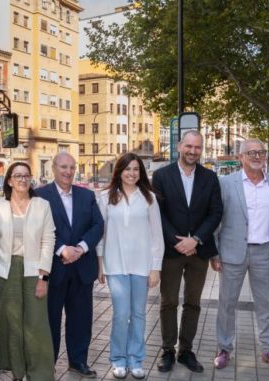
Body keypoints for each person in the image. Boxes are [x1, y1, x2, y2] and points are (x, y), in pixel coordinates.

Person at [210, 139, 269, 373]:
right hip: (232, 252)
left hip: (264, 251)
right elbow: (216, 219)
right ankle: (224, 348)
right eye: (251, 152)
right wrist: (214, 252)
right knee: (227, 303)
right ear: (240, 157)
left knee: (266, 304)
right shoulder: (226, 183)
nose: (257, 156)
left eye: (261, 152)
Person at [151, 130, 223, 373]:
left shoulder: (210, 178)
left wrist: (196, 240)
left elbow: (216, 212)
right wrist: (177, 241)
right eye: (189, 146)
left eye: (198, 147)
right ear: (180, 146)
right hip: (171, 251)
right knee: (168, 301)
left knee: (193, 302)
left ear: (202, 149)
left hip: (198, 252)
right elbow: (157, 213)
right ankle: (168, 350)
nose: (193, 151)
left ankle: (186, 350)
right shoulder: (161, 176)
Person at [35, 152, 103, 378]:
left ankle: (78, 362)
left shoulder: (87, 195)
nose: (68, 171)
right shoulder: (40, 196)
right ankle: (48, 364)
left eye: (72, 167)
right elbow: (37, 229)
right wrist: (62, 249)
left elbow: (97, 225)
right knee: (51, 320)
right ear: (53, 168)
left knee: (81, 320)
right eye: (63, 167)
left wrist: (81, 248)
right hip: (54, 269)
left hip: (82, 269)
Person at [95, 153, 164, 380]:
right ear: (119, 171)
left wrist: (155, 268)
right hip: (115, 265)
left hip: (142, 266)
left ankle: (136, 359)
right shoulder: (105, 197)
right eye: (127, 169)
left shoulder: (149, 198)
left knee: (138, 314)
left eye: (136, 169)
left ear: (141, 172)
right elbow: (101, 234)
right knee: (120, 313)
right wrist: (100, 264)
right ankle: (118, 359)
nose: (131, 173)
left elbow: (157, 236)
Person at [0, 162, 56, 380]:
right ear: (8, 180)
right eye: (17, 176)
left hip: (34, 271)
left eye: (26, 176)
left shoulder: (42, 205)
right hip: (4, 271)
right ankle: (17, 371)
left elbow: (48, 241)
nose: (22, 180)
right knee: (11, 323)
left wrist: (43, 277)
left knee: (36, 323)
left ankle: (40, 374)